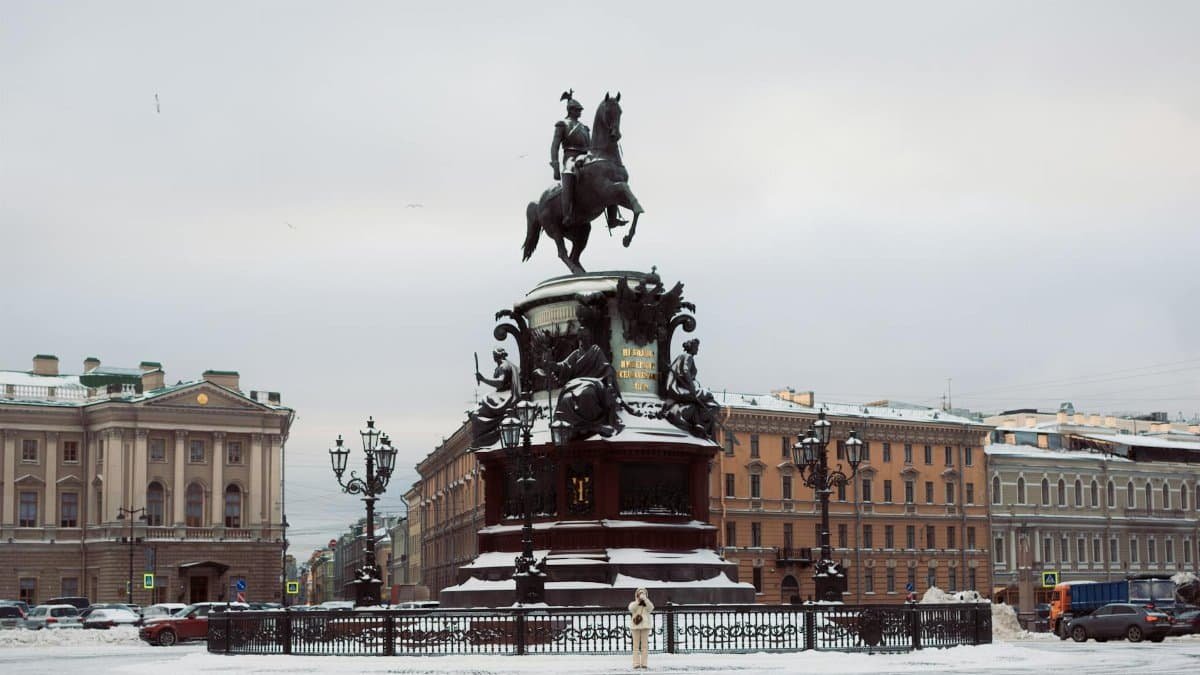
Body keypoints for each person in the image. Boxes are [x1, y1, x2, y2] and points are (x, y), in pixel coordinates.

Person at [550, 90, 590, 226]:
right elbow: (555, 146)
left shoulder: (584, 128)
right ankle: (567, 213)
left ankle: (612, 215)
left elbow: (590, 146)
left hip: (585, 156)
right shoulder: (562, 124)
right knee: (568, 172)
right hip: (570, 157)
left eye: (580, 110)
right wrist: (555, 166)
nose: (580, 112)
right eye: (577, 110)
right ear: (571, 110)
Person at [628, 587, 654, 669]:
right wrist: (638, 601)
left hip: (645, 627)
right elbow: (631, 609)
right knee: (635, 646)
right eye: (640, 593)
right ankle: (636, 663)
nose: (642, 595)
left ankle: (644, 663)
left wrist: (645, 600)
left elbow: (651, 608)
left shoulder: (647, 603)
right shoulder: (634, 603)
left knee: (644, 646)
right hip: (635, 627)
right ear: (637, 595)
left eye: (643, 593)